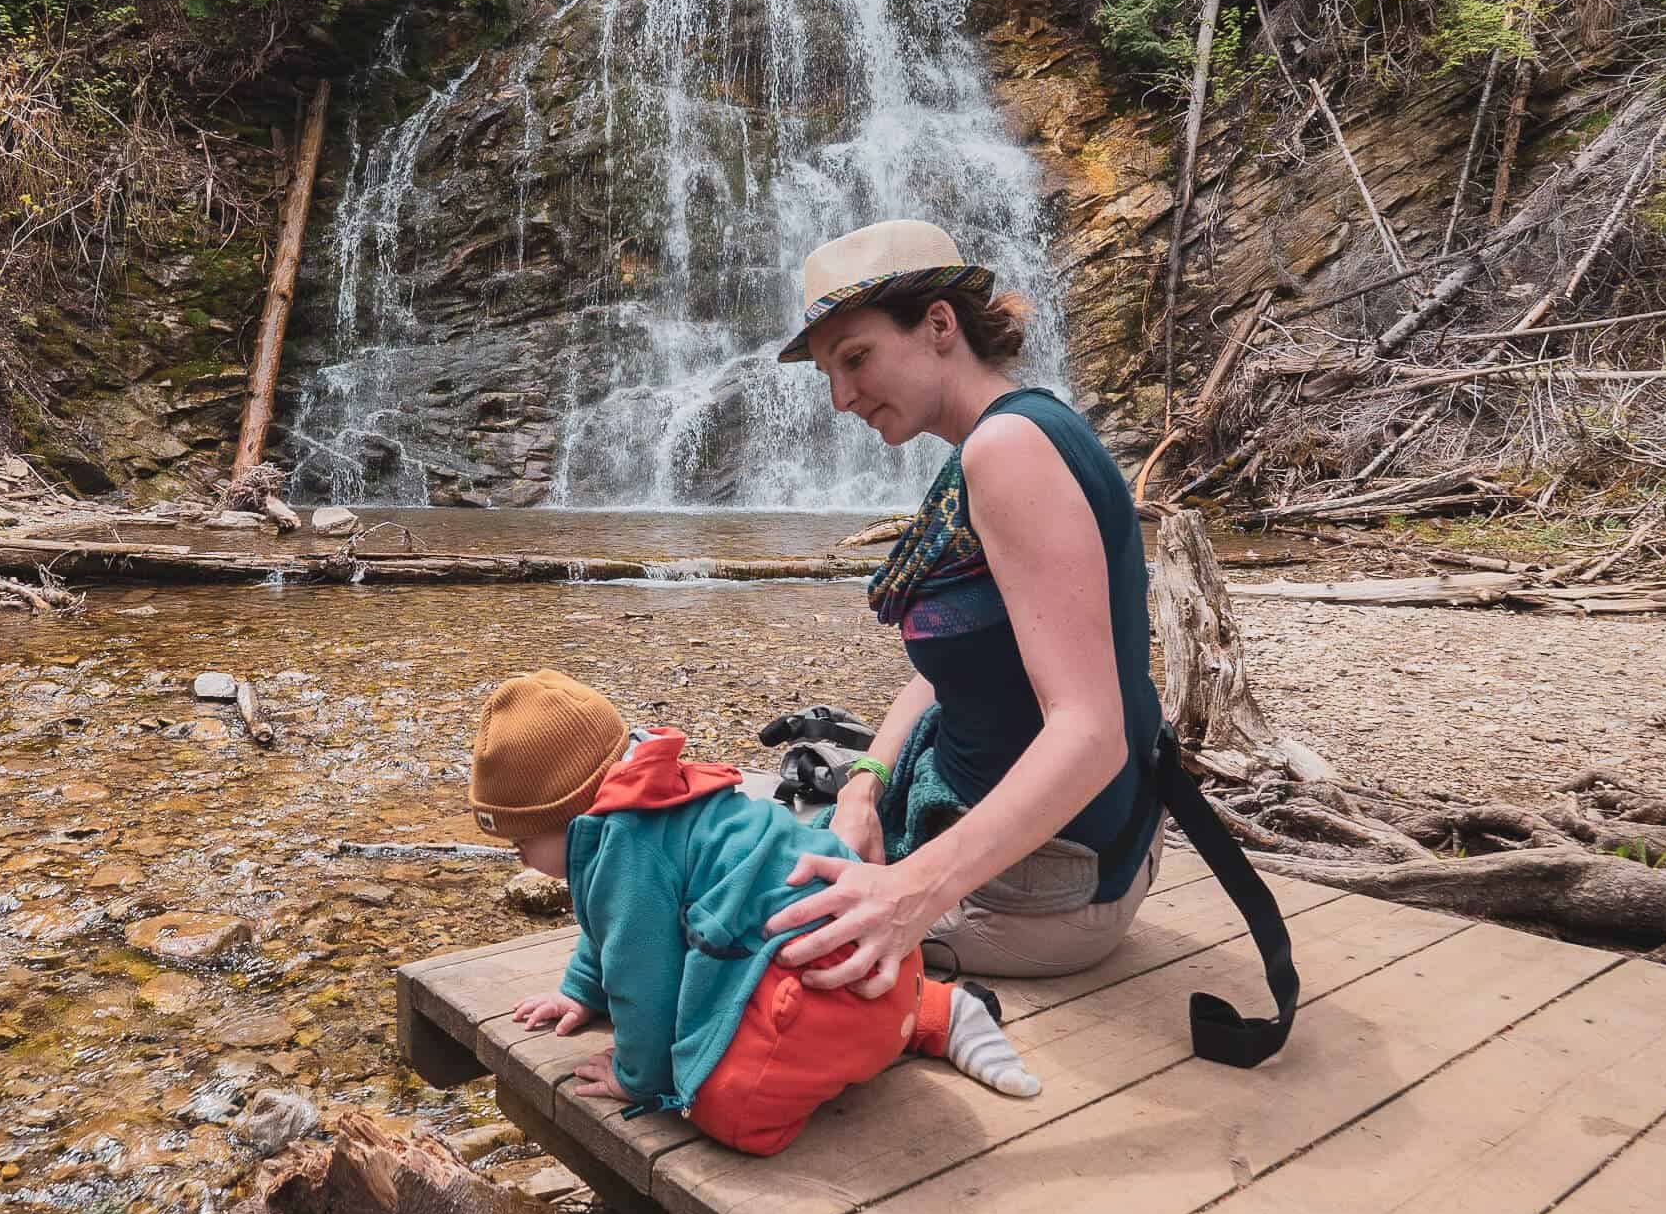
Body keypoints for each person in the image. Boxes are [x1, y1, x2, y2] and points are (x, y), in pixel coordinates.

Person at [764, 218, 1168, 997]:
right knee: (747, 832)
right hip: (1073, 857)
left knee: (718, 898)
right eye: (828, 375)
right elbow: (957, 672)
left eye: (855, 358)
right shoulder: (1017, 431)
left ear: (940, 325)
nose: (843, 398)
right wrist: (864, 785)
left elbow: (1091, 733)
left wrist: (905, 895)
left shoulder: (1006, 451)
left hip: (1041, 890)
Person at [468, 669, 1039, 1159]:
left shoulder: (623, 846)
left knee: (726, 1110)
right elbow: (610, 929)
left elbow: (640, 975)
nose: (518, 855)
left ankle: (850, 1052)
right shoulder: (653, 793)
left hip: (815, 987)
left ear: (574, 815)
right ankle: (939, 1012)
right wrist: (578, 991)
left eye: (522, 842)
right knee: (847, 1001)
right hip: (885, 959)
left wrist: (637, 1077)